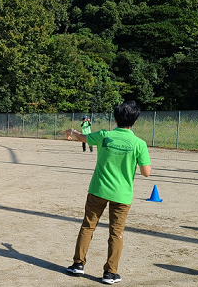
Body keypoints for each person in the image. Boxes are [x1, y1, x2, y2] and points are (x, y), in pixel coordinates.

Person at [63, 101, 151, 284]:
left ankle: (78, 264)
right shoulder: (139, 143)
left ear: (115, 118)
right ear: (134, 122)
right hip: (122, 194)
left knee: (87, 227)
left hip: (98, 189)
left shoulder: (104, 135)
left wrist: (72, 132)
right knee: (116, 233)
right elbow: (146, 172)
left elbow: (82, 137)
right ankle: (110, 273)